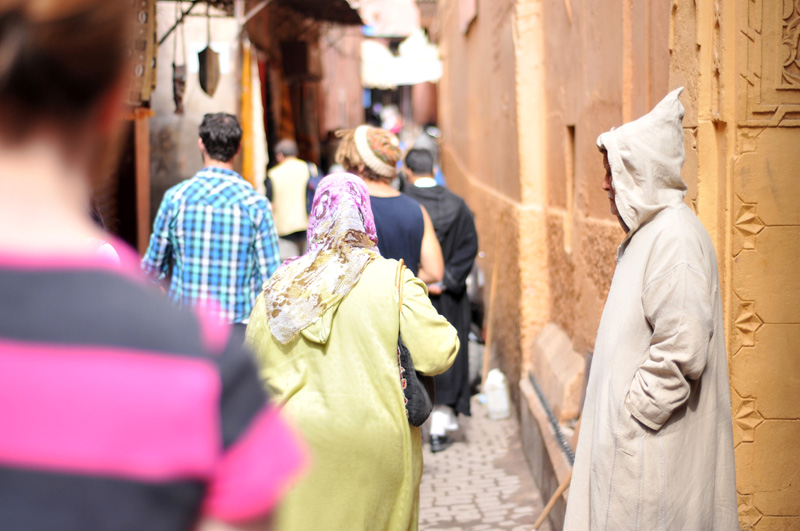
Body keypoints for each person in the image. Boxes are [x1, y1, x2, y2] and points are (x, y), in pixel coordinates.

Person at [0, 2, 305, 530]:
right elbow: (265, 277)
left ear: (202, 145)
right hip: (228, 332)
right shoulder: (205, 364)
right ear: (110, 102)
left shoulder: (179, 199)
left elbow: (152, 265)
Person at [563, 88, 739, 530]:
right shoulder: (653, 232)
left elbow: (683, 347)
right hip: (635, 448)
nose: (605, 182)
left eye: (613, 171)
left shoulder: (674, 237)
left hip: (649, 453)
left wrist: (633, 418)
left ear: (640, 172)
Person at [246, 173, 459, 531]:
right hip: (377, 439)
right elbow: (439, 352)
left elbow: (251, 370)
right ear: (365, 215)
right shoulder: (393, 280)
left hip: (295, 447)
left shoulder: (278, 288)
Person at [142, 113, 281, 326]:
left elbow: (151, 270)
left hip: (185, 326)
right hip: (236, 330)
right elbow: (271, 280)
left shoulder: (176, 198)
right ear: (238, 148)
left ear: (201, 145)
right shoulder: (257, 204)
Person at [404, 149, 479, 453]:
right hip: (449, 296)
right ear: (434, 170)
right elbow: (469, 246)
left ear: (408, 172)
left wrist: (419, 279)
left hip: (411, 296)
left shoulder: (403, 205)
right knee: (447, 353)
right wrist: (447, 280)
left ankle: (414, 420)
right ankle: (441, 426)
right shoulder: (457, 205)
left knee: (412, 354)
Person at [335, 125, 444, 284]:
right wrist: (400, 281)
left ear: (360, 165)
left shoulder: (348, 207)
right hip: (402, 304)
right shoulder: (417, 209)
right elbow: (434, 272)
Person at [266, 138, 318, 258]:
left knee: (289, 271)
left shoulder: (273, 174)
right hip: (307, 226)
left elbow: (270, 205)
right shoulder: (310, 169)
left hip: (284, 231)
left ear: (279, 155)